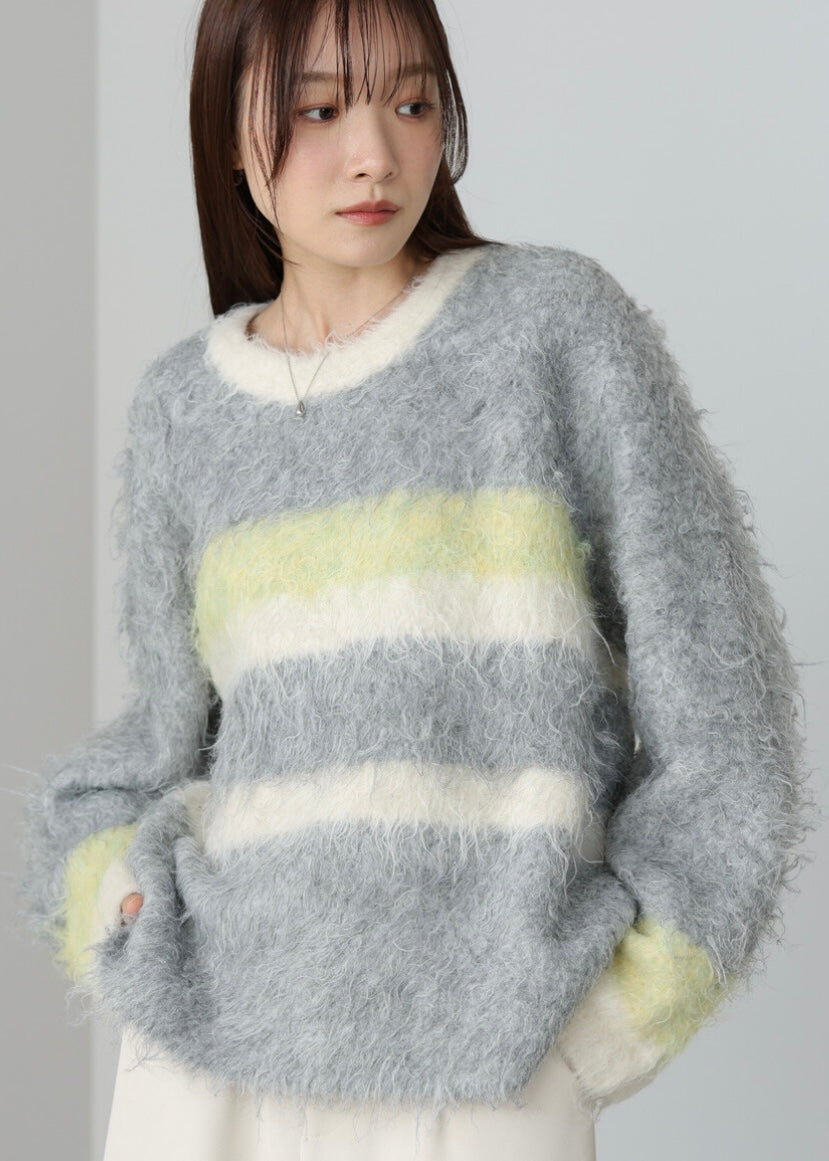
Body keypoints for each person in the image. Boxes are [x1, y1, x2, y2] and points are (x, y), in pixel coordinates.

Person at [15, 0, 817, 1158]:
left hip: (481, 1074)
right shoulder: (183, 406)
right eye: (317, 110)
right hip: (209, 1075)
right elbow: (161, 741)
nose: (374, 155)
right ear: (231, 131)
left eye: (411, 101)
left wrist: (598, 1037)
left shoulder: (551, 333)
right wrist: (110, 902)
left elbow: (727, 729)